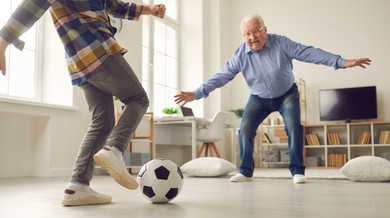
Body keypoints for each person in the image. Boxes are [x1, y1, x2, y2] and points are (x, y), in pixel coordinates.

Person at [0, 0, 166, 206]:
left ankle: (78, 186)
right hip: (99, 50)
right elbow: (34, 4)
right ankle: (115, 149)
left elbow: (114, 6)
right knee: (138, 99)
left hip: (79, 63)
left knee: (103, 121)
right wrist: (4, 40)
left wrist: (149, 9)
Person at [174, 14, 371, 184]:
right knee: (245, 129)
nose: (253, 37)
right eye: (248, 34)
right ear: (243, 36)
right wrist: (196, 93)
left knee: (294, 126)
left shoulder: (281, 43)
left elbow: (309, 52)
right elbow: (221, 76)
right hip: (259, 98)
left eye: (257, 31)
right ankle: (245, 171)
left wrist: (341, 62)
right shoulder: (240, 55)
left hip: (287, 93)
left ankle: (297, 171)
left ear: (265, 29)